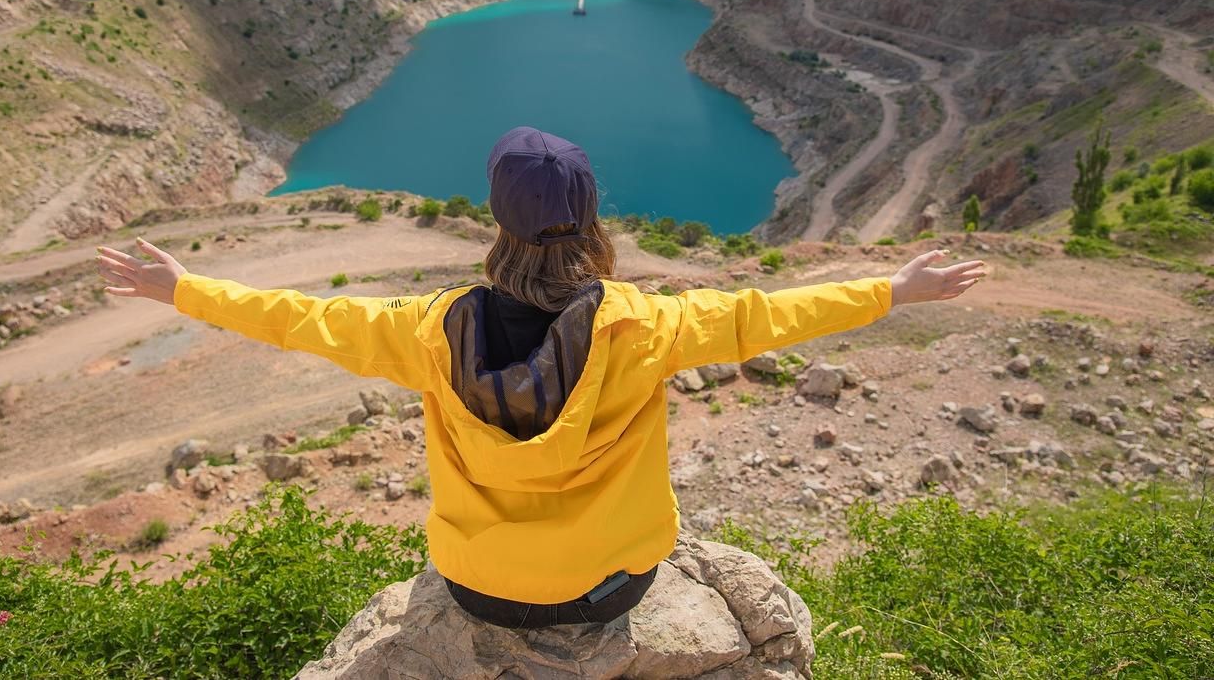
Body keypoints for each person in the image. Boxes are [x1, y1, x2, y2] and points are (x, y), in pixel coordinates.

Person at [95, 126, 985, 630]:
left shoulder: (430, 330)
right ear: (591, 215)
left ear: (495, 216)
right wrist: (893, 291)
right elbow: (765, 313)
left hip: (480, 592)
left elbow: (300, 319)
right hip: (610, 587)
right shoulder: (645, 326)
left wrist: (182, 289)